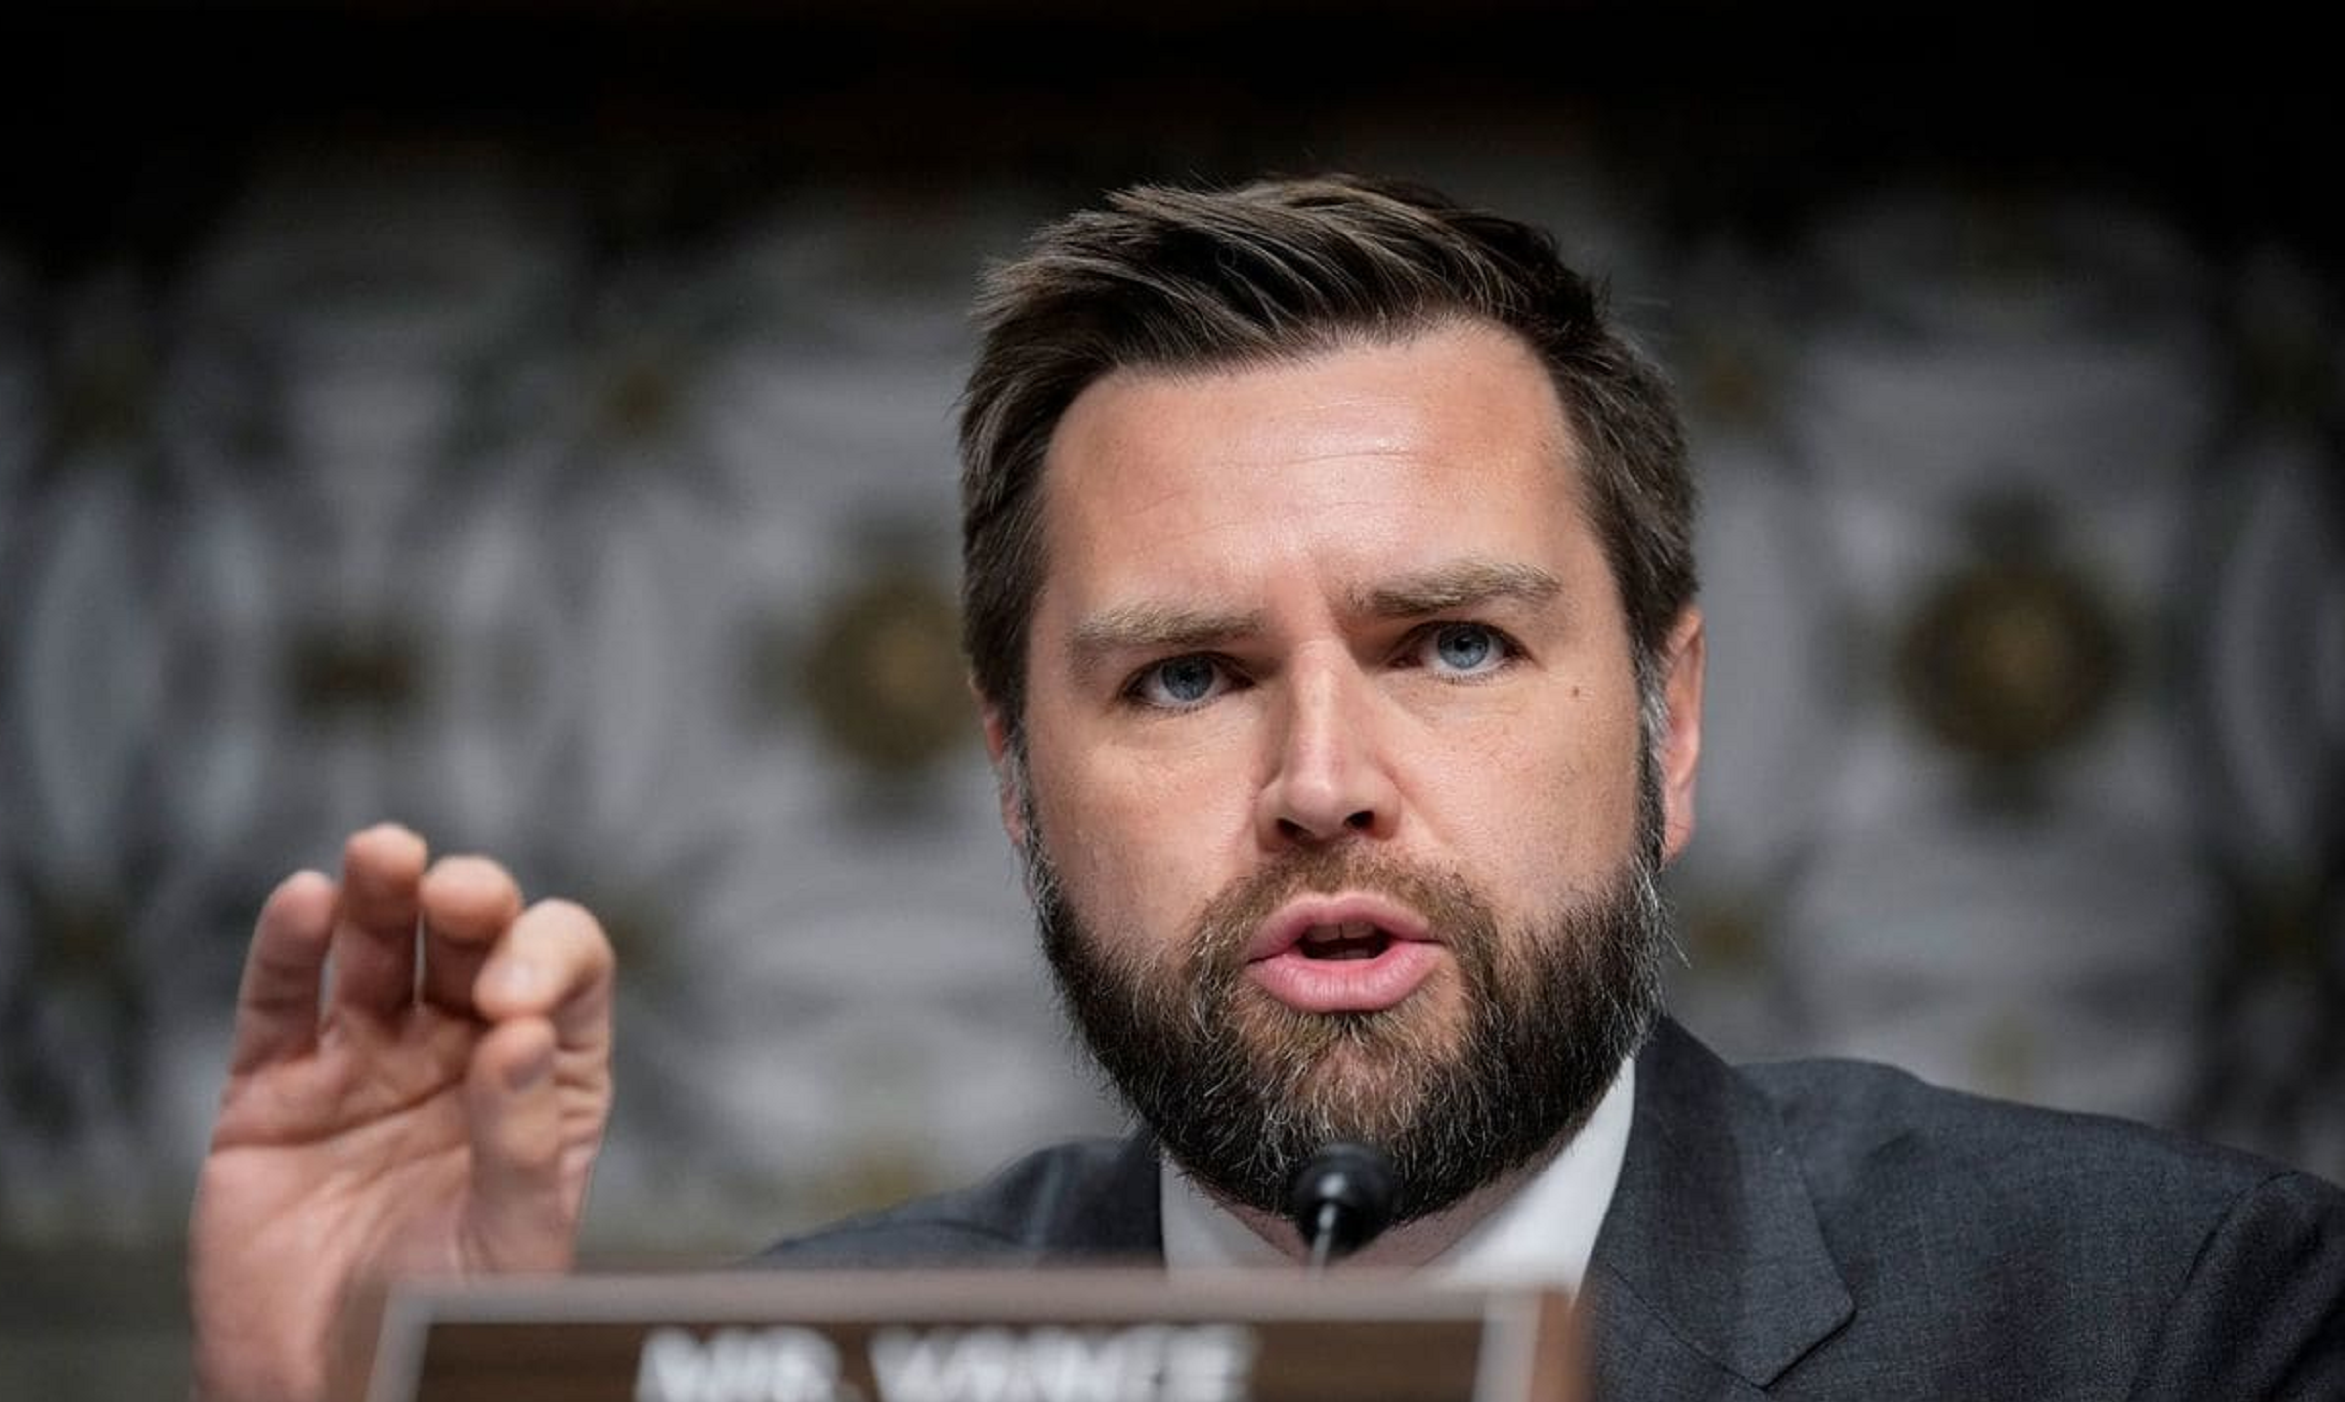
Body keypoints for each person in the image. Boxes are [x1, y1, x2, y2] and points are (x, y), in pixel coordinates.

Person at [189, 176, 2345, 1401]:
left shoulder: (2173, 1316)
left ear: (1669, 724)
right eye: (1187, 675)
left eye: (1454, 644)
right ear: (1015, 787)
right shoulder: (824, 1370)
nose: (1321, 784)